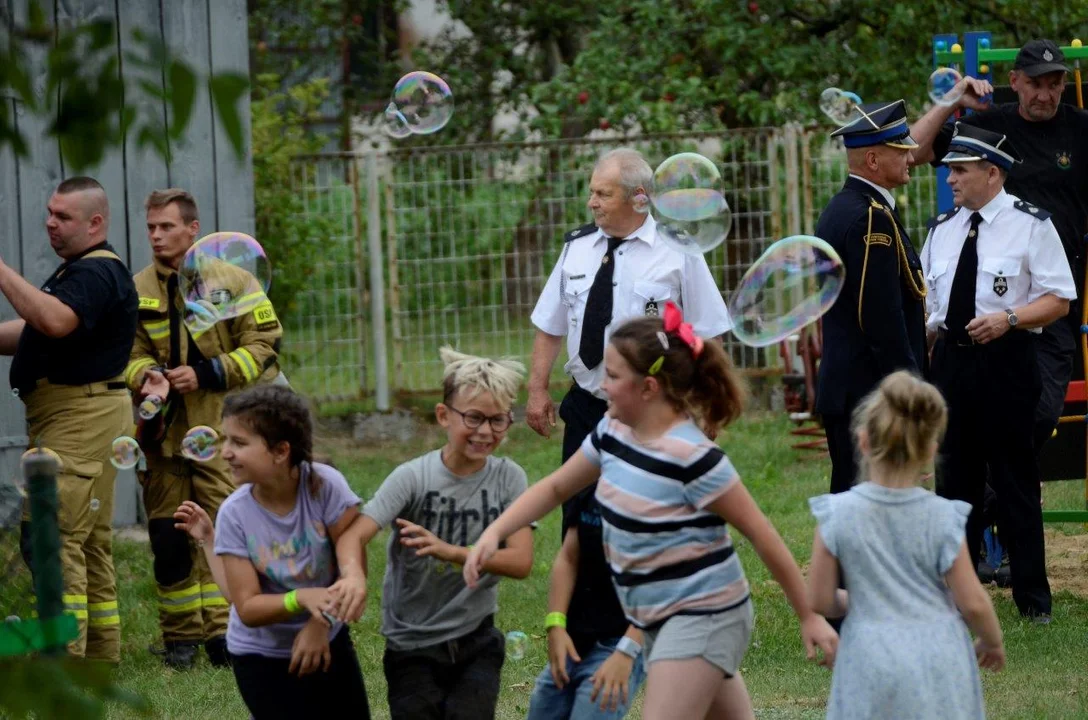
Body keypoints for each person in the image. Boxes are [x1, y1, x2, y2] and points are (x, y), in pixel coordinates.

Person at [466, 304, 838, 720]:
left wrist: (809, 616)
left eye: (613, 376)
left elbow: (761, 533)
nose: (602, 387)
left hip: (704, 615)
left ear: (648, 388)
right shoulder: (612, 433)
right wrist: (493, 531)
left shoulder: (693, 457)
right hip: (658, 617)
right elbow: (554, 488)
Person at [525, 148, 731, 716]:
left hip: (649, 412)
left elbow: (707, 335)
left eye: (602, 193)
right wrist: (539, 390)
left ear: (640, 198)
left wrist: (707, 408)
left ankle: (631, 632)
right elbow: (551, 323)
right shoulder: (576, 249)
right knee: (580, 520)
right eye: (591, 192)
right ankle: (581, 626)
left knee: (638, 517)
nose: (591, 202)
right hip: (588, 406)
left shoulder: (678, 253)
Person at [920, 124, 1076, 623]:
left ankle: (1033, 599)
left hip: (1007, 360)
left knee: (1015, 483)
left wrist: (1009, 318)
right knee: (953, 485)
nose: (951, 180)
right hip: (952, 363)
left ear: (993, 172)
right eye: (949, 171)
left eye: (960, 171)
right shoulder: (941, 229)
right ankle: (956, 598)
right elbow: (930, 303)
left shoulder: (1030, 225)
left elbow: (1059, 299)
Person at [125, 189, 284, 669]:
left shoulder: (234, 281)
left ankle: (227, 637)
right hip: (163, 433)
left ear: (193, 230)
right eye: (151, 226)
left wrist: (210, 373)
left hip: (221, 431)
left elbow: (265, 344)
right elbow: (127, 354)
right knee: (168, 534)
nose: (155, 235)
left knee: (225, 531)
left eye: (166, 226)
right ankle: (179, 641)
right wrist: (145, 379)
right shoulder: (136, 289)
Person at [910, 38, 1088, 458]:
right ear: (1014, 82)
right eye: (1035, 83)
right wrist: (952, 99)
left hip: (1049, 299)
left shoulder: (1080, 127)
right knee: (968, 422)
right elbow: (913, 152)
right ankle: (986, 496)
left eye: (1055, 83)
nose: (1045, 94)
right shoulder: (990, 124)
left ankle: (993, 496)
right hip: (986, 304)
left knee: (1040, 413)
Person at [806, 371, 1005, 720]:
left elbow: (821, 599)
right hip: (938, 657)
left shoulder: (836, 513)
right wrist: (991, 641)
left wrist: (864, 598)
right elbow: (972, 602)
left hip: (868, 658)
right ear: (930, 449)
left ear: (863, 441)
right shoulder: (944, 517)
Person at [352, 347, 533, 720]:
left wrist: (451, 552)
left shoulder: (508, 478)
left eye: (498, 420)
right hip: (410, 644)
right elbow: (356, 534)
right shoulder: (412, 477)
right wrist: (354, 578)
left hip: (477, 639)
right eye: (474, 418)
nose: (485, 431)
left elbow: (521, 561)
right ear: (443, 416)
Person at [0, 176, 137, 662]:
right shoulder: (81, 272)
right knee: (88, 541)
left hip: (79, 415)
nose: (50, 223)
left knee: (54, 537)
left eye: (63, 217)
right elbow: (40, 328)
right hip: (87, 414)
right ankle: (100, 655)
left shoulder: (95, 272)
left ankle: (62, 661)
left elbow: (54, 320)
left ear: (94, 222)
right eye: (50, 213)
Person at [213, 384, 370, 718]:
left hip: (329, 639)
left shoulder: (326, 486)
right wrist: (299, 599)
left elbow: (351, 561)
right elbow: (248, 607)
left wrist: (321, 624)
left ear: (281, 450)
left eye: (238, 442)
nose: (225, 451)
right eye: (225, 439)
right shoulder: (233, 514)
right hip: (260, 657)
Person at [814, 99, 929, 495]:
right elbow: (879, 316)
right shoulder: (870, 216)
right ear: (874, 160)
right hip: (870, 393)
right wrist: (909, 389)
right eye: (902, 149)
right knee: (873, 501)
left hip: (848, 388)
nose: (912, 155)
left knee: (854, 498)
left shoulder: (840, 207)